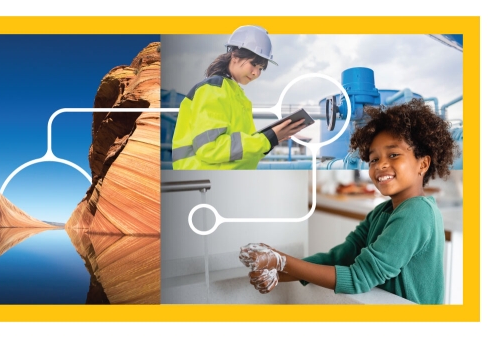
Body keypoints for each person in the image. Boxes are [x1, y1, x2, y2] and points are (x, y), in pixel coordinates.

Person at [239, 98, 460, 304]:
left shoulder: (417, 212)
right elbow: (340, 257)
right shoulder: (383, 212)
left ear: (423, 164)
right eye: (374, 159)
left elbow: (359, 277)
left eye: (393, 155)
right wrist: (278, 273)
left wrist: (281, 260)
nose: (380, 165)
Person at [171, 25, 305, 170]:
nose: (256, 73)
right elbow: (210, 148)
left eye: (260, 68)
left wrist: (271, 140)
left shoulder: (237, 96)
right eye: (253, 64)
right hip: (202, 181)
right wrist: (265, 139)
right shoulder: (213, 89)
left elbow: (239, 152)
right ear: (234, 55)